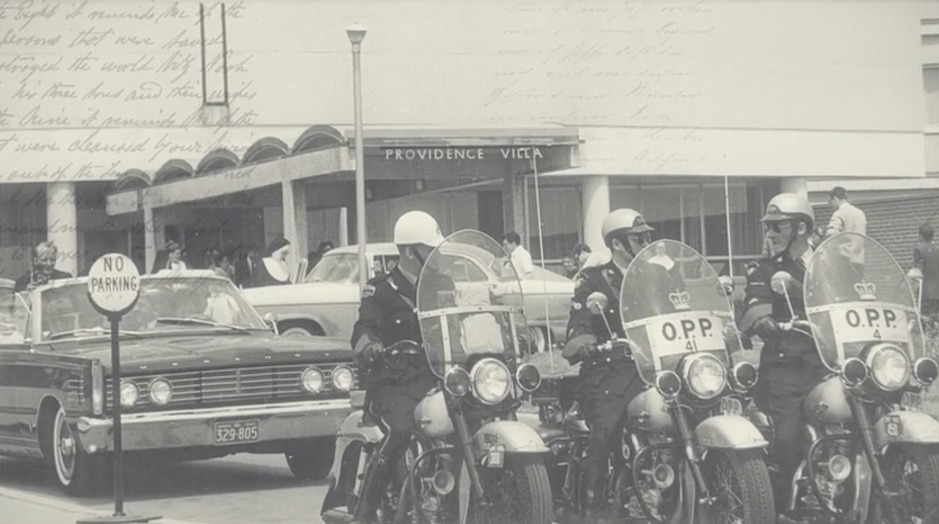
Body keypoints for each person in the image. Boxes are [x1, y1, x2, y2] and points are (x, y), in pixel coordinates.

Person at [347, 210, 448, 523]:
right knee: (400, 432)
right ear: (409, 251)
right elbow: (362, 330)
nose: (435, 255)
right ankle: (364, 515)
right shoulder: (380, 289)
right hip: (395, 383)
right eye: (429, 250)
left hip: (436, 376)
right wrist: (372, 348)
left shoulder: (442, 284)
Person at [739, 192, 826, 523]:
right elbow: (755, 304)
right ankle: (773, 512)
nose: (770, 233)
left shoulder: (831, 263)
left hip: (833, 363)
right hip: (788, 367)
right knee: (785, 442)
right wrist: (762, 320)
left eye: (777, 226)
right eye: (768, 226)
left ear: (801, 228)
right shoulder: (766, 270)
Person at [561, 208, 651, 522]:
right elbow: (579, 324)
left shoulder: (654, 275)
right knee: (607, 430)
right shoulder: (594, 280)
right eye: (637, 238)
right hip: (609, 370)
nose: (645, 242)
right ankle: (592, 511)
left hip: (651, 367)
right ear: (617, 245)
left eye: (646, 236)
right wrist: (585, 341)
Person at [914, 223, 939, 323]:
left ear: (921, 236)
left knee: (925, 318)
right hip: (937, 290)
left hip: (925, 290)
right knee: (935, 318)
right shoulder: (937, 250)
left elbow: (918, 269)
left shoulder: (918, 249)